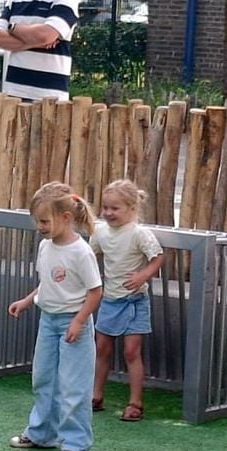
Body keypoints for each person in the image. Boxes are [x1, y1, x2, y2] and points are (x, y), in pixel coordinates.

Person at [7, 182, 102, 451]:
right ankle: (41, 433)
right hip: (48, 321)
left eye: (45, 221)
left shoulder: (81, 252)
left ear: (66, 217)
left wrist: (79, 322)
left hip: (74, 324)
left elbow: (95, 291)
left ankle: (76, 443)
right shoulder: (45, 246)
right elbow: (46, 283)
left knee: (74, 385)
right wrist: (27, 301)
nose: (40, 227)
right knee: (43, 378)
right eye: (37, 221)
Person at [90, 179, 165, 422]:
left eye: (115, 208)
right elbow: (90, 257)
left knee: (132, 351)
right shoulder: (100, 232)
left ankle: (135, 402)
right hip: (110, 299)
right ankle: (96, 395)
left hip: (135, 301)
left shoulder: (139, 233)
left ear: (132, 208)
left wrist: (143, 275)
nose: (109, 213)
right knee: (101, 348)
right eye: (106, 207)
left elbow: (158, 257)